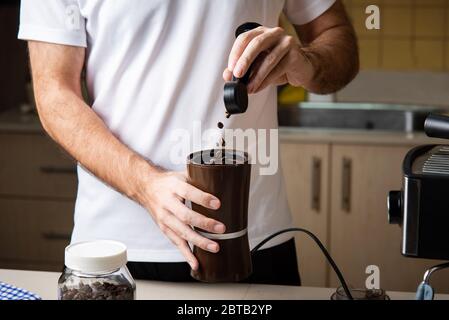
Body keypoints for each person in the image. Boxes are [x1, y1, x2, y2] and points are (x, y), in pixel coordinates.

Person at [18, 0, 358, 285]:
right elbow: (54, 93)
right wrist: (145, 185)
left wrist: (305, 63)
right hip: (116, 250)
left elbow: (337, 39)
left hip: (253, 240)